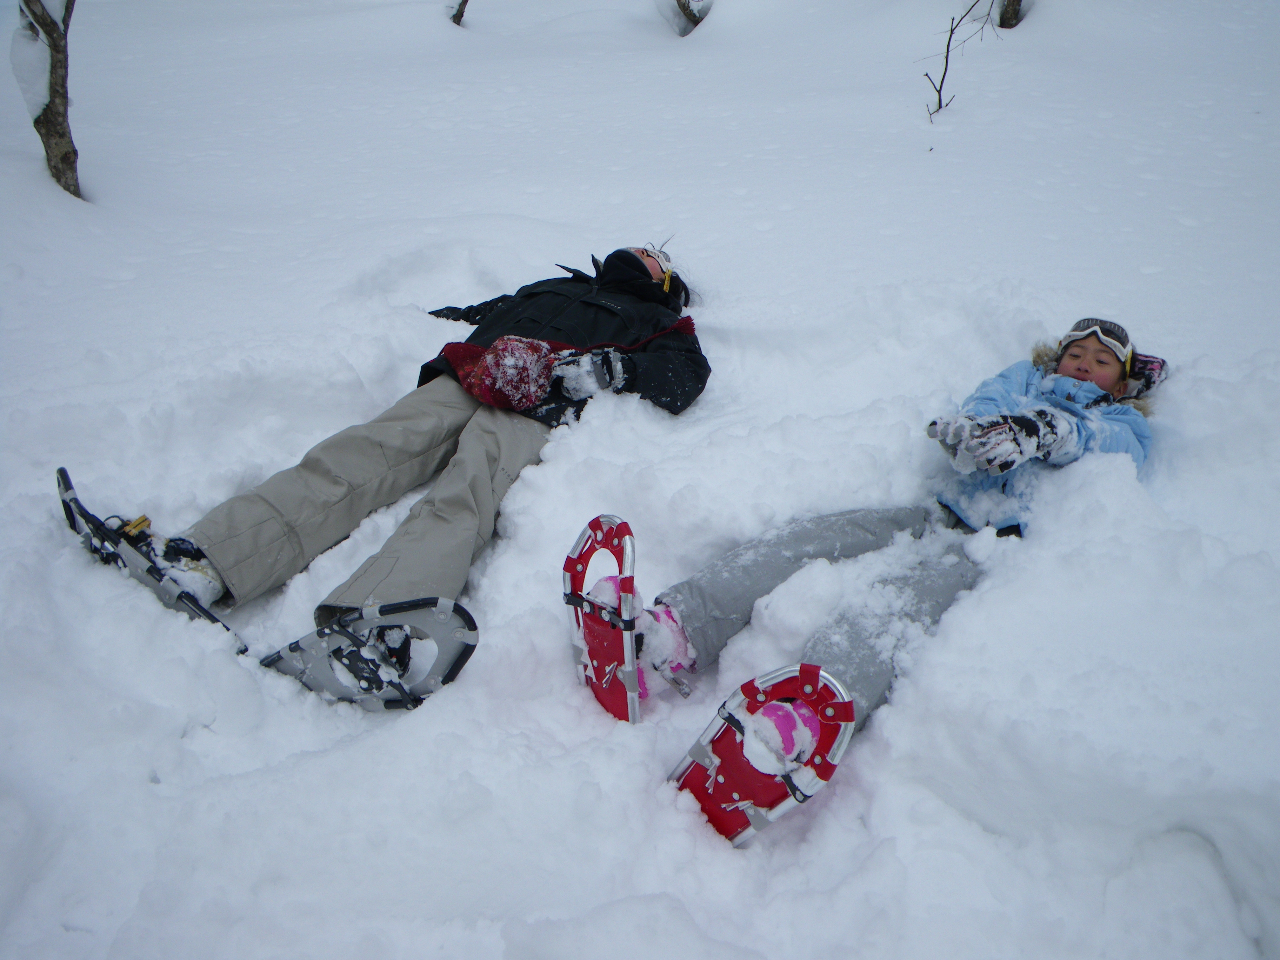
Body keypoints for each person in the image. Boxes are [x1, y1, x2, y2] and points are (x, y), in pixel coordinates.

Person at [596, 318, 1165, 843]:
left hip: (989, 545)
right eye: (1076, 352)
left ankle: (807, 718)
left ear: (1121, 382)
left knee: (890, 614)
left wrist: (1039, 430)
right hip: (936, 512)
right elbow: (988, 396)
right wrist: (975, 428)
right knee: (809, 538)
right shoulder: (1024, 380)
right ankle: (680, 629)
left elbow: (1112, 443)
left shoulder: (1122, 421)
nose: (1085, 363)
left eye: (1102, 360)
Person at [140, 246, 711, 634]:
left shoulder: (658, 322)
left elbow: (685, 375)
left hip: (543, 400)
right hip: (469, 373)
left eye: (652, 256)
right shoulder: (556, 285)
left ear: (664, 280)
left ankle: (384, 613)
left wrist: (614, 371)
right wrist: (445, 316)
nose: (640, 252)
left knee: (468, 492)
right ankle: (217, 554)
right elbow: (493, 309)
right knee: (363, 454)